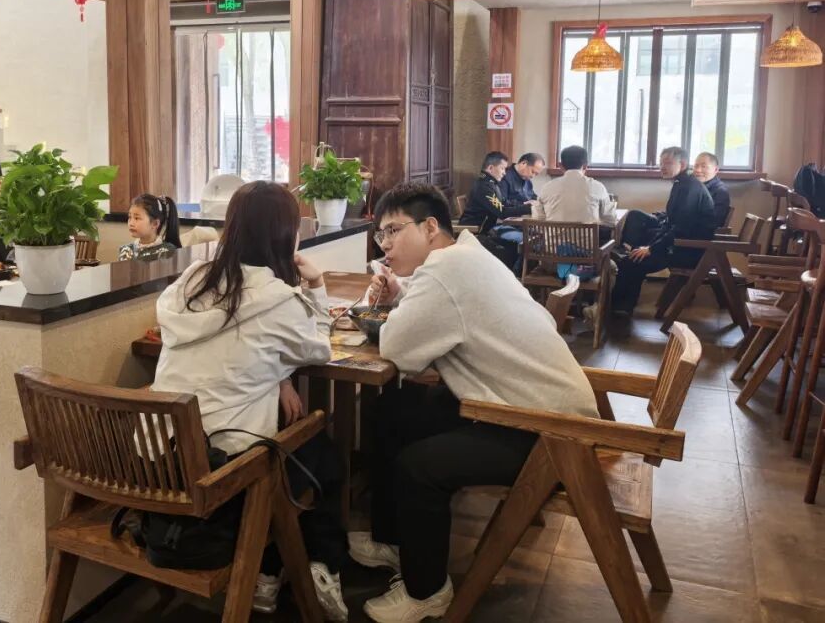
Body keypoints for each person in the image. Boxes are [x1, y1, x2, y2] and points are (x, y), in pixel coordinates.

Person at [348, 183, 598, 623]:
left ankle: (427, 591)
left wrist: (387, 310)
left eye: (393, 231)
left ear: (430, 227)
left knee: (417, 466)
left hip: (549, 435)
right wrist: (401, 296)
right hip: (528, 407)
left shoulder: (445, 270)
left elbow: (399, 349)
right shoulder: (466, 255)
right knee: (395, 412)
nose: (385, 244)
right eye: (381, 235)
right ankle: (394, 541)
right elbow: (445, 315)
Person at [149, 181, 349, 620]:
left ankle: (269, 572)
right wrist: (316, 285)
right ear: (287, 236)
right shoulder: (279, 300)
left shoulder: (193, 280)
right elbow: (319, 349)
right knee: (321, 453)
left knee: (289, 441)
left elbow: (232, 355)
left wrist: (278, 377)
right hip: (223, 476)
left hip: (157, 466)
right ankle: (318, 567)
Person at [611, 146, 716, 315]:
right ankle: (621, 306)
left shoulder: (689, 187)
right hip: (680, 244)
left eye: (667, 163)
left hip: (689, 250)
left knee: (631, 262)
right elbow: (670, 223)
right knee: (634, 253)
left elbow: (681, 228)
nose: (662, 167)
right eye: (661, 163)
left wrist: (652, 249)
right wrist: (649, 246)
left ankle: (619, 308)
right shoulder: (682, 183)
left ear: (682, 164)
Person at [459, 151, 531, 269]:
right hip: (474, 234)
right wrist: (528, 209)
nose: (504, 173)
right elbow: (502, 212)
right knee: (511, 251)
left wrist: (524, 204)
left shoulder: (492, 184)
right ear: (491, 168)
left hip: (486, 231)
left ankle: (515, 277)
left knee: (516, 247)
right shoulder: (483, 187)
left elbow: (504, 203)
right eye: (502, 168)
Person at [534, 145, 618, 226]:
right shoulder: (598, 187)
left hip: (553, 236)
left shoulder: (547, 187)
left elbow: (538, 219)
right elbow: (611, 220)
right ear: (585, 166)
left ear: (560, 166)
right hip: (587, 236)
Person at [118, 194, 181, 261]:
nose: (131, 223)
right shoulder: (125, 250)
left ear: (155, 223)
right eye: (130, 217)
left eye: (137, 218)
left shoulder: (167, 251)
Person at [693, 152, 731, 230]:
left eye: (704, 166)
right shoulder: (695, 186)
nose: (698, 170)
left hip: (700, 234)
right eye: (696, 166)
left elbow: (713, 222)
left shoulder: (720, 192)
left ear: (716, 169)